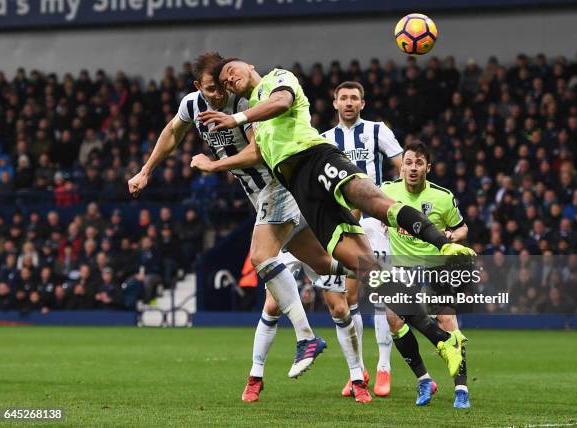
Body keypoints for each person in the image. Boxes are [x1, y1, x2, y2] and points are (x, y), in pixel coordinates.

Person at [200, 58, 473, 391]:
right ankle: (443, 341)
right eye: (225, 80)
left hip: (316, 158)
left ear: (250, 67)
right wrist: (218, 165)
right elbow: (258, 154)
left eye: (232, 72)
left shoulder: (277, 79)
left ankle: (445, 244)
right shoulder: (255, 117)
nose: (229, 80)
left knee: (374, 201)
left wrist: (236, 117)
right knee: (367, 270)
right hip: (299, 189)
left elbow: (282, 102)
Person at [128, 52, 351, 383]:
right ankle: (375, 268)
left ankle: (306, 337)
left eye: (221, 86)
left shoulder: (243, 104)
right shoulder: (193, 105)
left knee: (261, 257)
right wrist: (146, 170)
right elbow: (172, 132)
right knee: (322, 263)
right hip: (259, 194)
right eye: (211, 88)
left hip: (276, 184)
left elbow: (257, 151)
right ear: (197, 86)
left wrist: (213, 164)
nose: (218, 94)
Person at [319, 81, 403, 397]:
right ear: (335, 103)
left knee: (382, 295)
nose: (349, 102)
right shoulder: (325, 140)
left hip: (375, 223)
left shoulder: (378, 131)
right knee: (348, 299)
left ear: (363, 103)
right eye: (344, 98)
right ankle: (359, 371)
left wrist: (390, 213)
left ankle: (384, 368)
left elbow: (401, 167)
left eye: (355, 98)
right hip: (343, 226)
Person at [380, 141, 472, 409]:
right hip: (402, 267)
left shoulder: (443, 197)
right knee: (393, 319)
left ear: (427, 168)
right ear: (401, 166)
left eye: (419, 163)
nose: (412, 168)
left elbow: (463, 228)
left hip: (436, 266)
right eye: (408, 162)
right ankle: (423, 380)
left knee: (447, 320)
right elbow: (371, 211)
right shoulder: (387, 191)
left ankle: (462, 388)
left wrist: (453, 236)